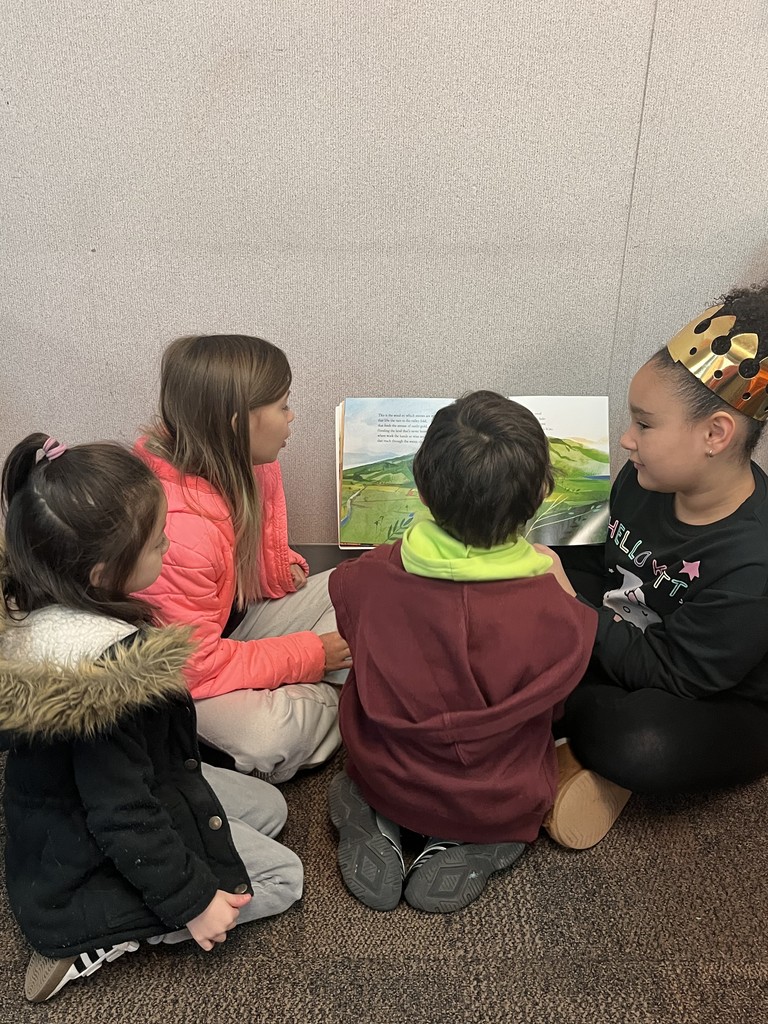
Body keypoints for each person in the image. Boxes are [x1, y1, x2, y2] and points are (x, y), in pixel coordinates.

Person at [0, 435, 303, 1003]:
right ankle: (105, 936)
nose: (168, 543)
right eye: (158, 540)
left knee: (272, 808)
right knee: (283, 878)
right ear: (100, 572)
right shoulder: (107, 678)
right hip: (95, 837)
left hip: (92, 793)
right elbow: (123, 813)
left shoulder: (39, 603)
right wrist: (194, 903)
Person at [327, 391, 598, 914]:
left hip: (386, 770)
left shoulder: (365, 576)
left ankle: (378, 813)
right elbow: (558, 698)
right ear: (541, 494)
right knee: (532, 759)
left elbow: (353, 631)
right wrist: (565, 590)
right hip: (495, 794)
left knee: (365, 739)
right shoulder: (554, 612)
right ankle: (475, 836)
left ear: (421, 489)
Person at [542, 282, 768, 849]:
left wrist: (569, 612)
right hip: (633, 619)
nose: (626, 439)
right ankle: (561, 724)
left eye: (644, 425)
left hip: (709, 694)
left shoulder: (753, 559)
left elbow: (677, 673)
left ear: (715, 434)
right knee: (525, 583)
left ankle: (564, 724)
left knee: (640, 744)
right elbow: (604, 561)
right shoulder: (645, 480)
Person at [136, 334, 350, 782]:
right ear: (239, 424)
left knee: (355, 586)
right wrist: (312, 655)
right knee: (269, 738)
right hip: (181, 682)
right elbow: (194, 668)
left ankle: (320, 692)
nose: (291, 417)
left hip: (225, 632)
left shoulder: (241, 462)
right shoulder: (180, 528)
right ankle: (344, 704)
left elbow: (256, 546)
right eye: (283, 406)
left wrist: (281, 568)